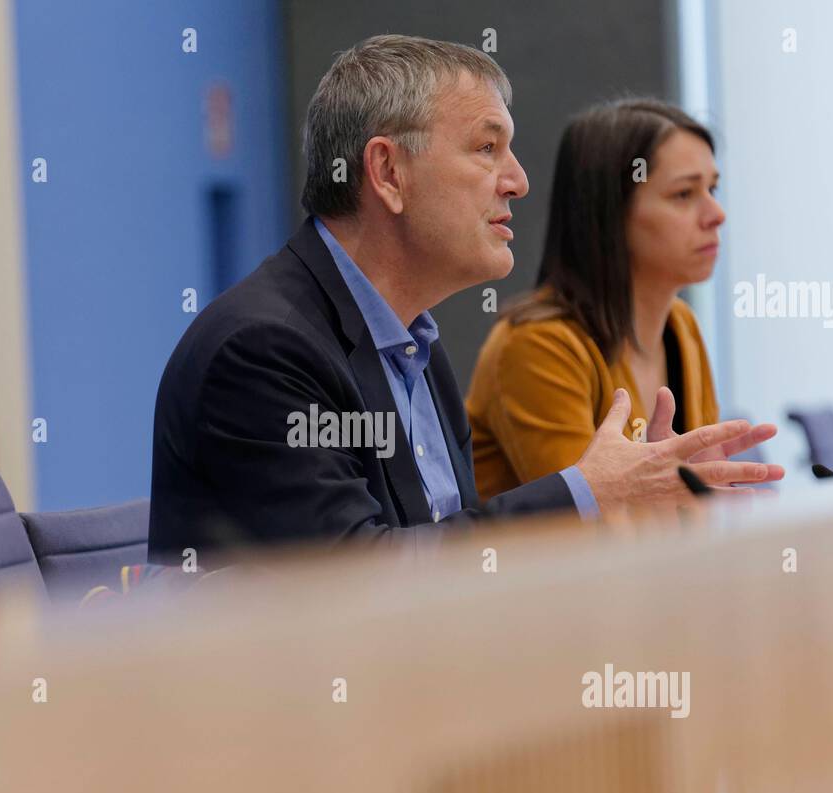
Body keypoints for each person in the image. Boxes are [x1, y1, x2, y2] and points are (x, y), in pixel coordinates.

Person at [148, 36, 777, 567]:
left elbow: (450, 557)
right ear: (389, 173)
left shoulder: (415, 346)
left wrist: (642, 501)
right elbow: (352, 584)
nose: (519, 180)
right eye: (486, 148)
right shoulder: (262, 350)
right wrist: (587, 494)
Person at [466, 99, 782, 500]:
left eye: (712, 188)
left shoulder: (679, 323)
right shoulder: (536, 347)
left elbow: (692, 499)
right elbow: (591, 529)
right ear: (610, 213)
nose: (716, 213)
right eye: (684, 194)